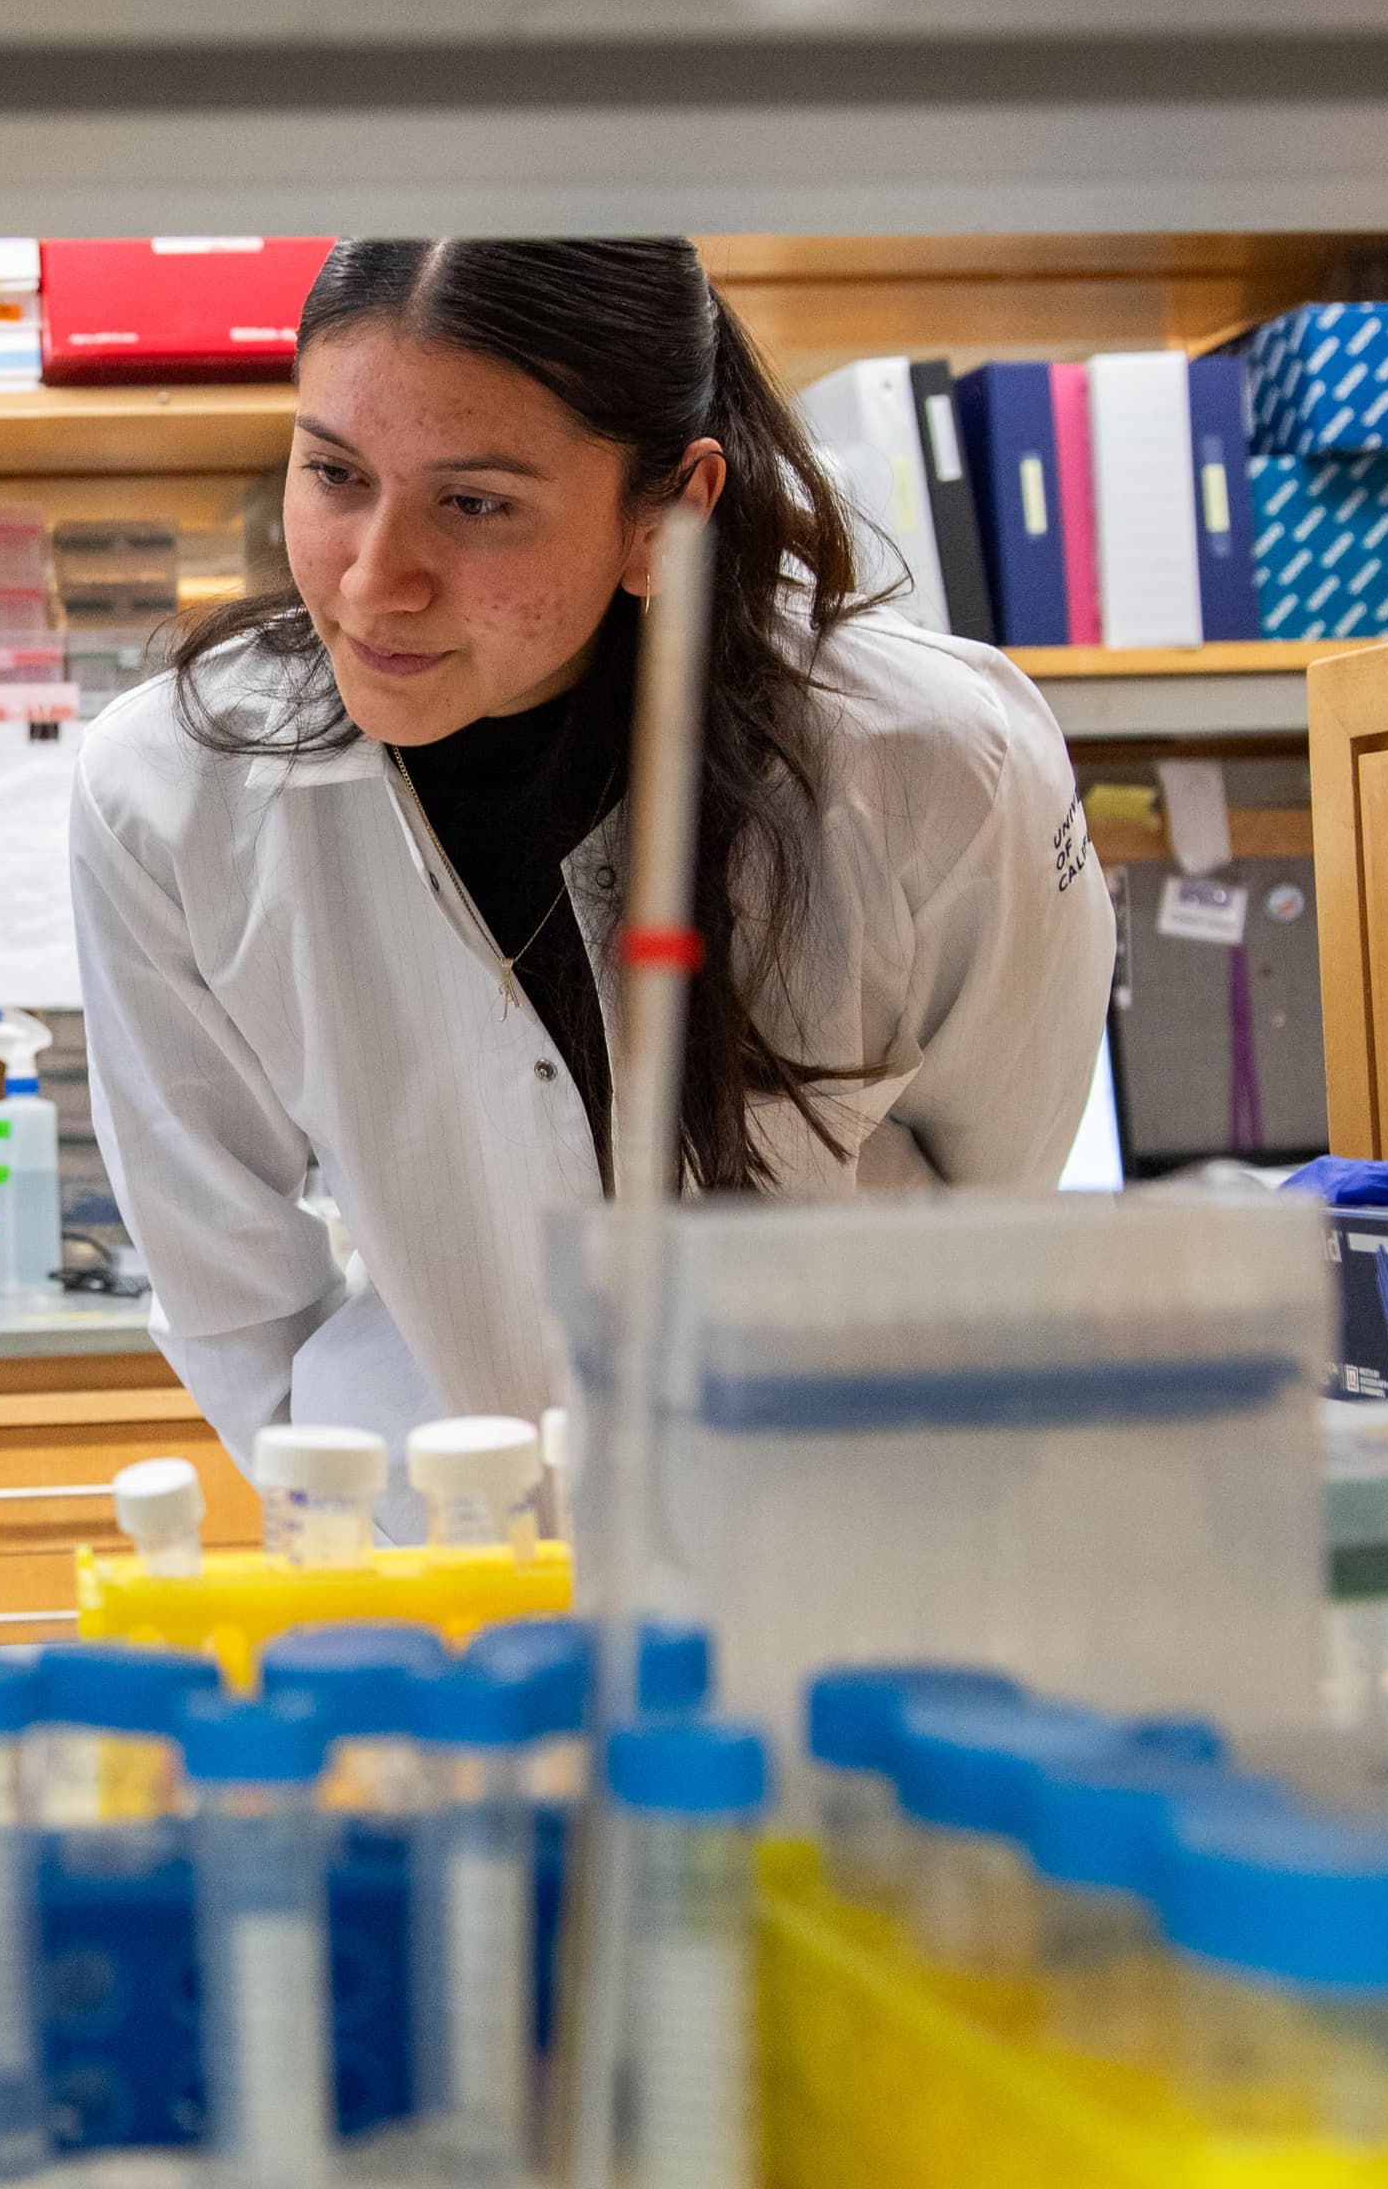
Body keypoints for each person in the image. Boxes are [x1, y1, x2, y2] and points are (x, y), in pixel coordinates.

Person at [71, 238, 1114, 1478]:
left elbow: (998, 1205)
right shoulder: (171, 793)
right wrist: (411, 1551)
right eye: (334, 473)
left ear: (666, 517)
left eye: (475, 503)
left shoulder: (935, 765)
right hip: (447, 1569)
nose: (371, 579)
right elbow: (231, 1295)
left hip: (848, 1535)